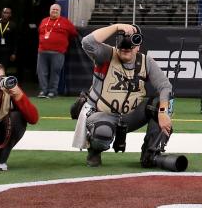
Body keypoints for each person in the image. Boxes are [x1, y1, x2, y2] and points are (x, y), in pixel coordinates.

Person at [73, 23, 174, 167]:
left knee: (161, 104)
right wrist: (116, 27)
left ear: (138, 45)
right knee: (103, 132)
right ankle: (94, 150)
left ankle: (150, 153)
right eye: (122, 40)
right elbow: (87, 42)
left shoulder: (146, 61)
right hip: (103, 114)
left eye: (133, 40)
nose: (126, 45)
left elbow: (165, 86)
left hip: (131, 116)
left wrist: (163, 112)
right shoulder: (106, 54)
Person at [36, 3, 78, 97]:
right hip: (42, 51)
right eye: (53, 9)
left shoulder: (65, 22)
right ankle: (43, 91)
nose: (54, 11)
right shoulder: (44, 21)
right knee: (41, 72)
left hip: (58, 52)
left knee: (55, 72)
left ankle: (52, 91)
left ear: (60, 12)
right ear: (49, 11)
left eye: (56, 10)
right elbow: (39, 32)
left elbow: (74, 33)